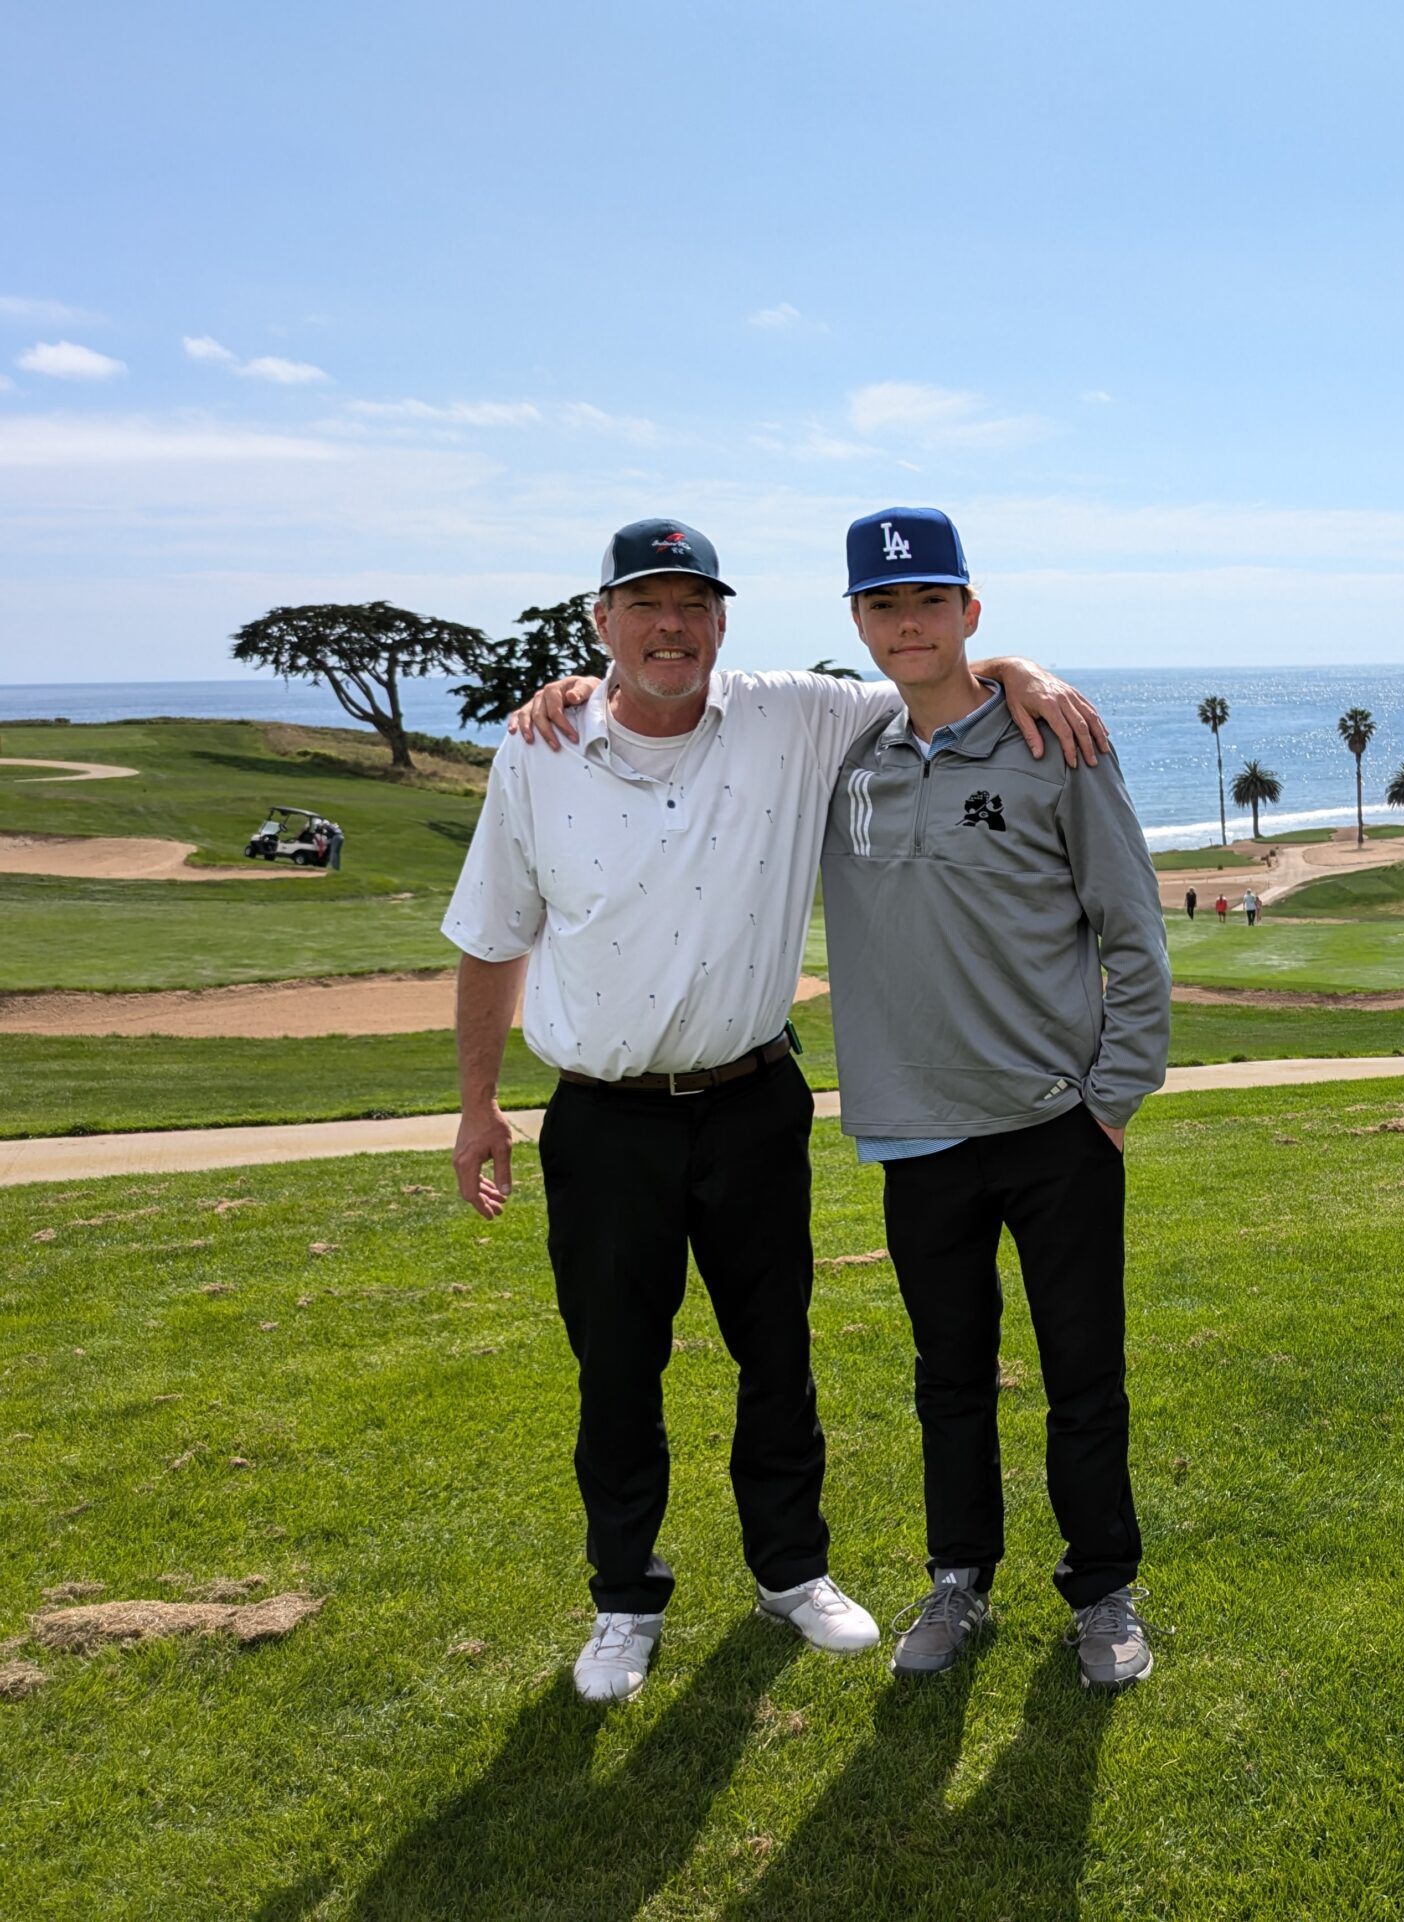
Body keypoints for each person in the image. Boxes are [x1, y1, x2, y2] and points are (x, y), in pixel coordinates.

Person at [449, 517, 1103, 1704]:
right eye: (643, 605)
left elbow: (932, 677)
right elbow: (494, 936)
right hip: (601, 1115)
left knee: (777, 1351)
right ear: (599, 622)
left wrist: (1023, 672)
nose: (670, 628)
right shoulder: (537, 750)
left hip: (751, 1099)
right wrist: (478, 1105)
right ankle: (622, 1600)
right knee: (614, 1367)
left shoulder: (789, 712)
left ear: (722, 622)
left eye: (693, 606)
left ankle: (791, 1572)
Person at [816, 507, 1169, 1690]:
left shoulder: (1053, 742)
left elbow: (1132, 927)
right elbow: (690, 702)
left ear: (971, 610)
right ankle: (957, 1580)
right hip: (914, 1132)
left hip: (1053, 1126)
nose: (906, 624)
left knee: (1084, 1374)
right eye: (883, 605)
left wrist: (1110, 1097)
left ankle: (1103, 1591)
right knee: (948, 1378)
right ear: (857, 621)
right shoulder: (839, 755)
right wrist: (574, 683)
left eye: (930, 603)